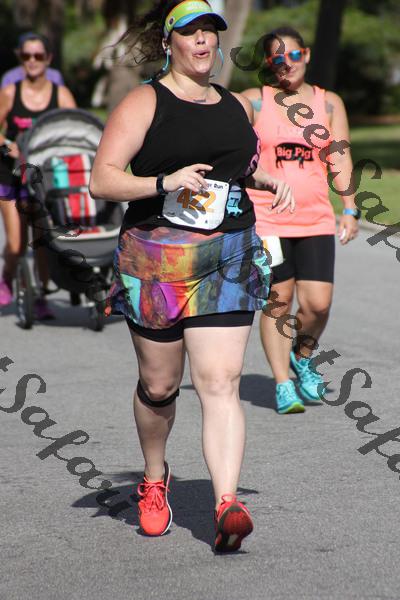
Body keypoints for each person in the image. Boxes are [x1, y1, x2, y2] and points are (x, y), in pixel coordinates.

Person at [90, 0, 294, 552]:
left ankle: (227, 503)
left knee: (221, 380)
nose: (202, 40)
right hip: (156, 258)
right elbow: (103, 180)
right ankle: (155, 478)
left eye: (210, 31)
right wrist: (164, 182)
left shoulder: (233, 105)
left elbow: (233, 170)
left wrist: (264, 181)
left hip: (228, 251)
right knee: (160, 386)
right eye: (190, 31)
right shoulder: (144, 102)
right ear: (169, 42)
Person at [243, 26, 359, 415]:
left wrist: (350, 207)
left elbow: (339, 157)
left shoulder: (329, 104)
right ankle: (282, 384)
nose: (286, 64)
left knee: (318, 305)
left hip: (315, 218)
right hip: (267, 219)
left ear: (305, 55)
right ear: (268, 63)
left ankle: (302, 357)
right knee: (279, 301)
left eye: (293, 55)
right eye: (277, 58)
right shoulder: (255, 102)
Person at [0, 32, 75, 313]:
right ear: (20, 58)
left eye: (38, 55)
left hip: (44, 178)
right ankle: (7, 277)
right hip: (10, 176)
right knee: (17, 245)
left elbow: (74, 129)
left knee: (42, 242)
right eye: (26, 55)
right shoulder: (10, 92)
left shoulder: (61, 94)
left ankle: (41, 295)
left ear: (48, 59)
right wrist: (8, 145)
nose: (32, 61)